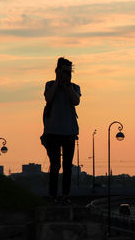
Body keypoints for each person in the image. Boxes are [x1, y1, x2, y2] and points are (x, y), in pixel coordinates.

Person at [41, 57, 81, 204]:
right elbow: (48, 99)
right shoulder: (50, 85)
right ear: (57, 71)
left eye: (69, 72)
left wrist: (67, 86)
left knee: (68, 167)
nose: (67, 74)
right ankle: (53, 196)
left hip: (69, 133)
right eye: (64, 71)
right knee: (55, 165)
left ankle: (65, 195)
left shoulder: (74, 87)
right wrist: (58, 82)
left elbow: (76, 101)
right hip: (52, 132)